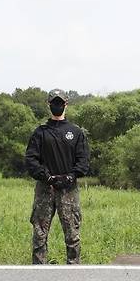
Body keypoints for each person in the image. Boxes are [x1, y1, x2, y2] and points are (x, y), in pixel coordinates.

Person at [24, 89, 89, 264]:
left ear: (66, 104)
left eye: (60, 103)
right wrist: (47, 178)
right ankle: (39, 270)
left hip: (69, 190)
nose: (57, 106)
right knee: (39, 233)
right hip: (45, 188)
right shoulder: (40, 132)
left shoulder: (76, 132)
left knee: (72, 234)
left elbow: (83, 162)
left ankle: (73, 270)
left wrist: (70, 177)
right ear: (49, 105)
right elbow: (31, 160)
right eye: (54, 102)